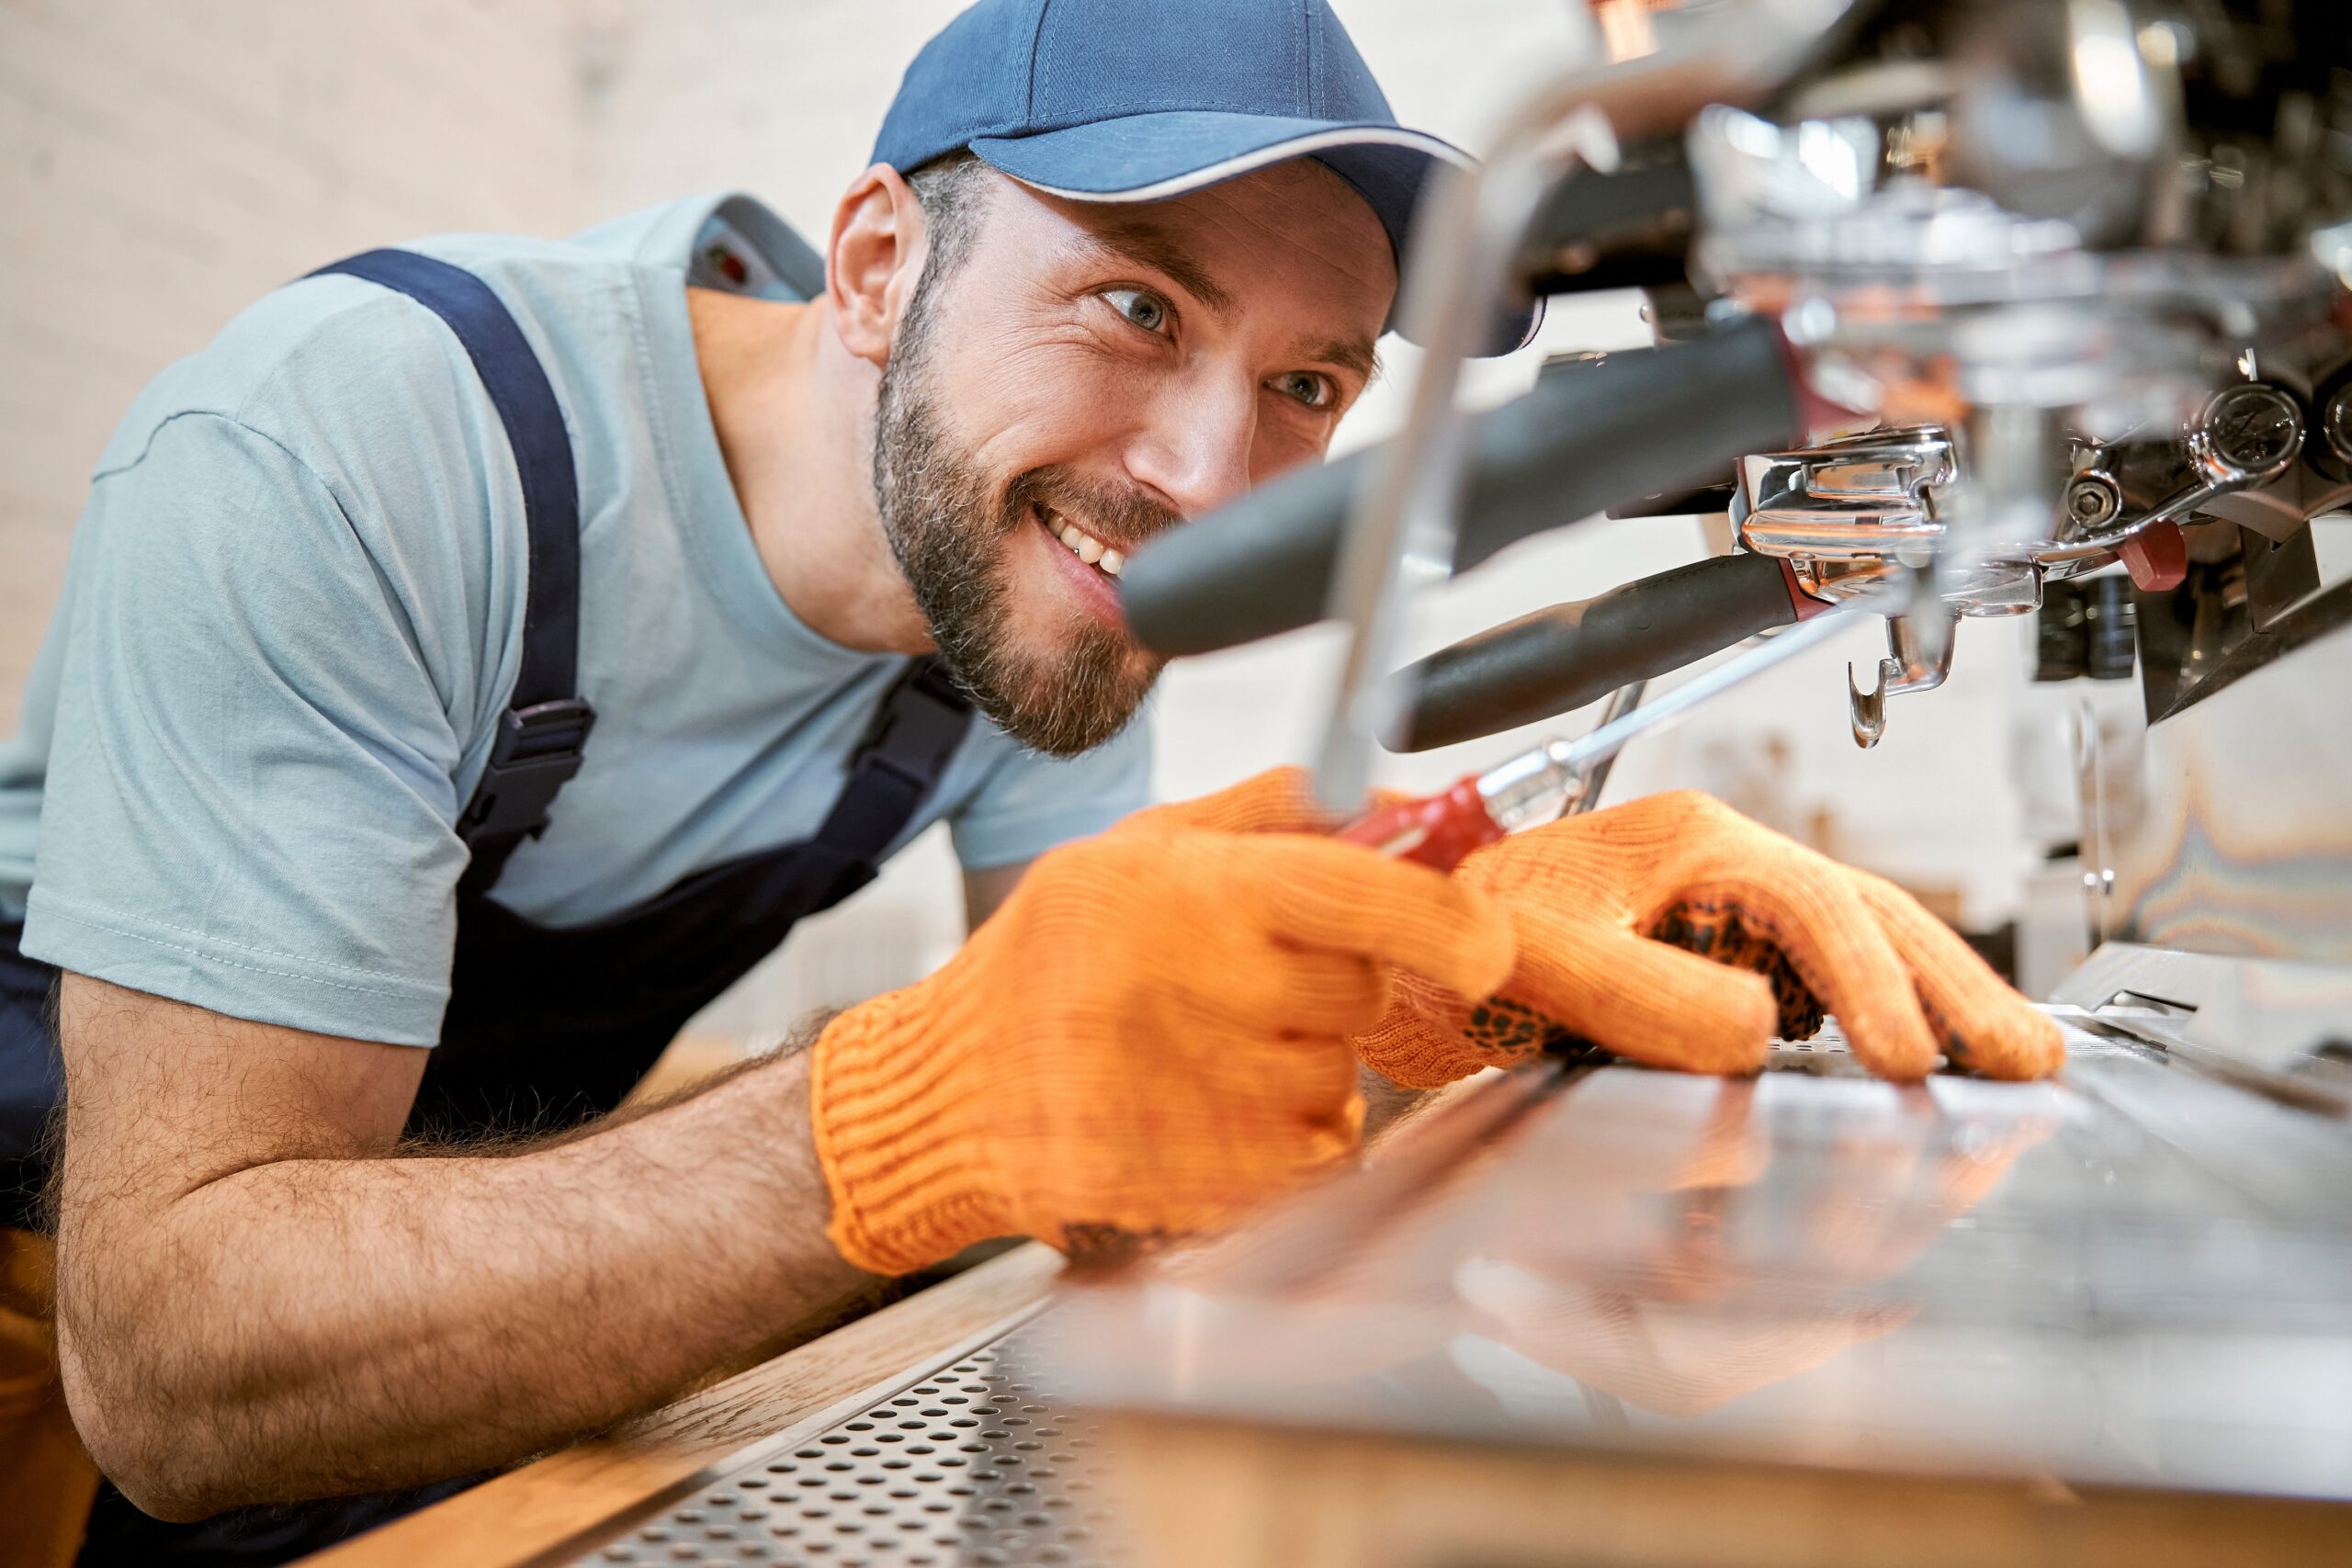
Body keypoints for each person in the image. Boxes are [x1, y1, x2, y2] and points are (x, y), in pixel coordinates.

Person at [0, 1, 2062, 1560]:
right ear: (879, 265)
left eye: (1305, 385)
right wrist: (906, 1117)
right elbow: (178, 1357)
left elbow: (1097, 1095)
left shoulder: (1036, 592)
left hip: (468, 1173)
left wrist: (1452, 970)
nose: (1199, 479)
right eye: (1130, 301)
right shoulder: (363, 445)